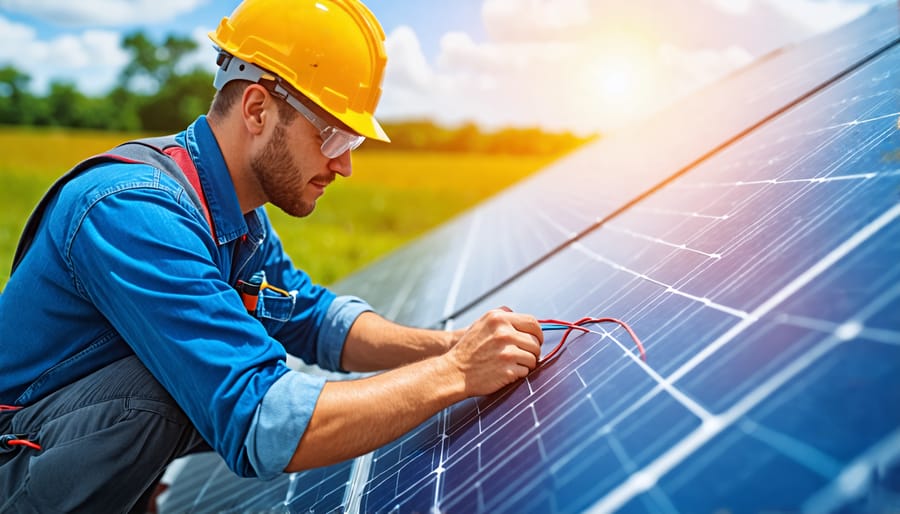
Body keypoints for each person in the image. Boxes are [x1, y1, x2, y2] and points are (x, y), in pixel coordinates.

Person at [0, 0, 544, 511]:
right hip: (10, 461)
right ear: (257, 108)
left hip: (58, 440)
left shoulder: (235, 219)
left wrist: (447, 346)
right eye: (332, 137)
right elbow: (261, 419)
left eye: (351, 144)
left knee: (210, 359)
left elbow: (313, 319)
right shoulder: (133, 212)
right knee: (174, 380)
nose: (345, 166)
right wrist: (454, 373)